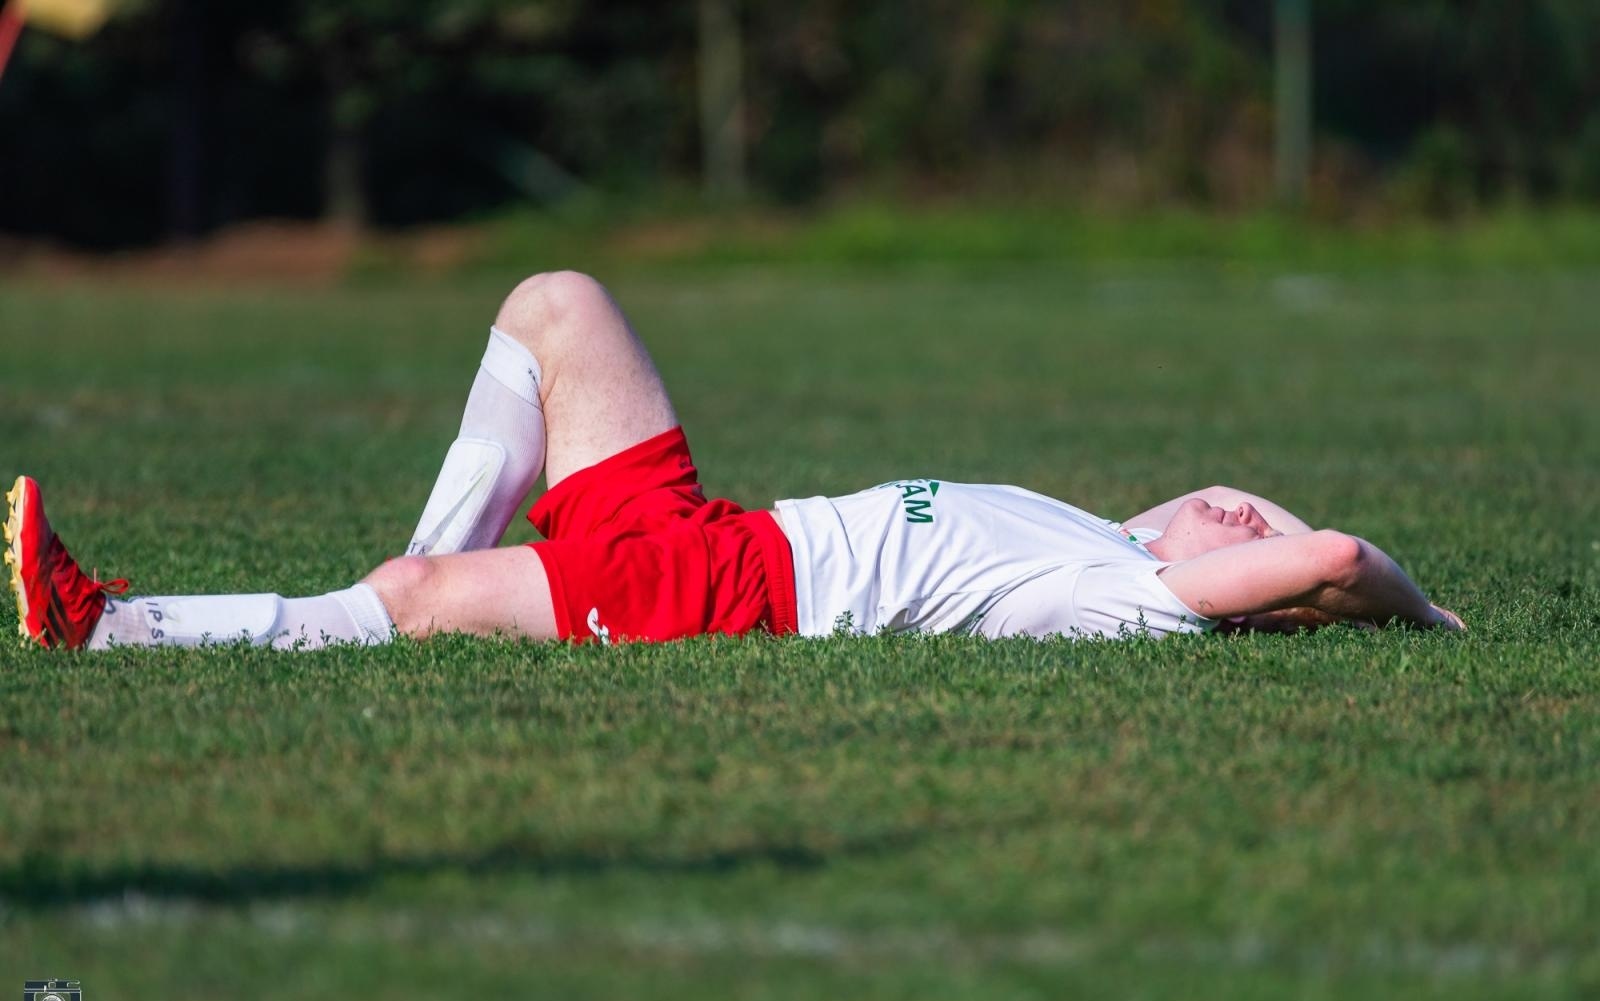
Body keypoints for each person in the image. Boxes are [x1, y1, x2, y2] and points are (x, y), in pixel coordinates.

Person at [4, 270, 1464, 652]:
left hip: (731, 591)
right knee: (558, 308)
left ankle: (102, 623)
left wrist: (1420, 608)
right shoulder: (1118, 541)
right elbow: (1219, 523)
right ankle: (405, 580)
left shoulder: (1129, 603)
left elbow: (1336, 560)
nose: (1231, 497)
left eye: (1248, 519)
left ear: (1253, 589)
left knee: (431, 598)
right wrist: (1208, 521)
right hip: (717, 530)